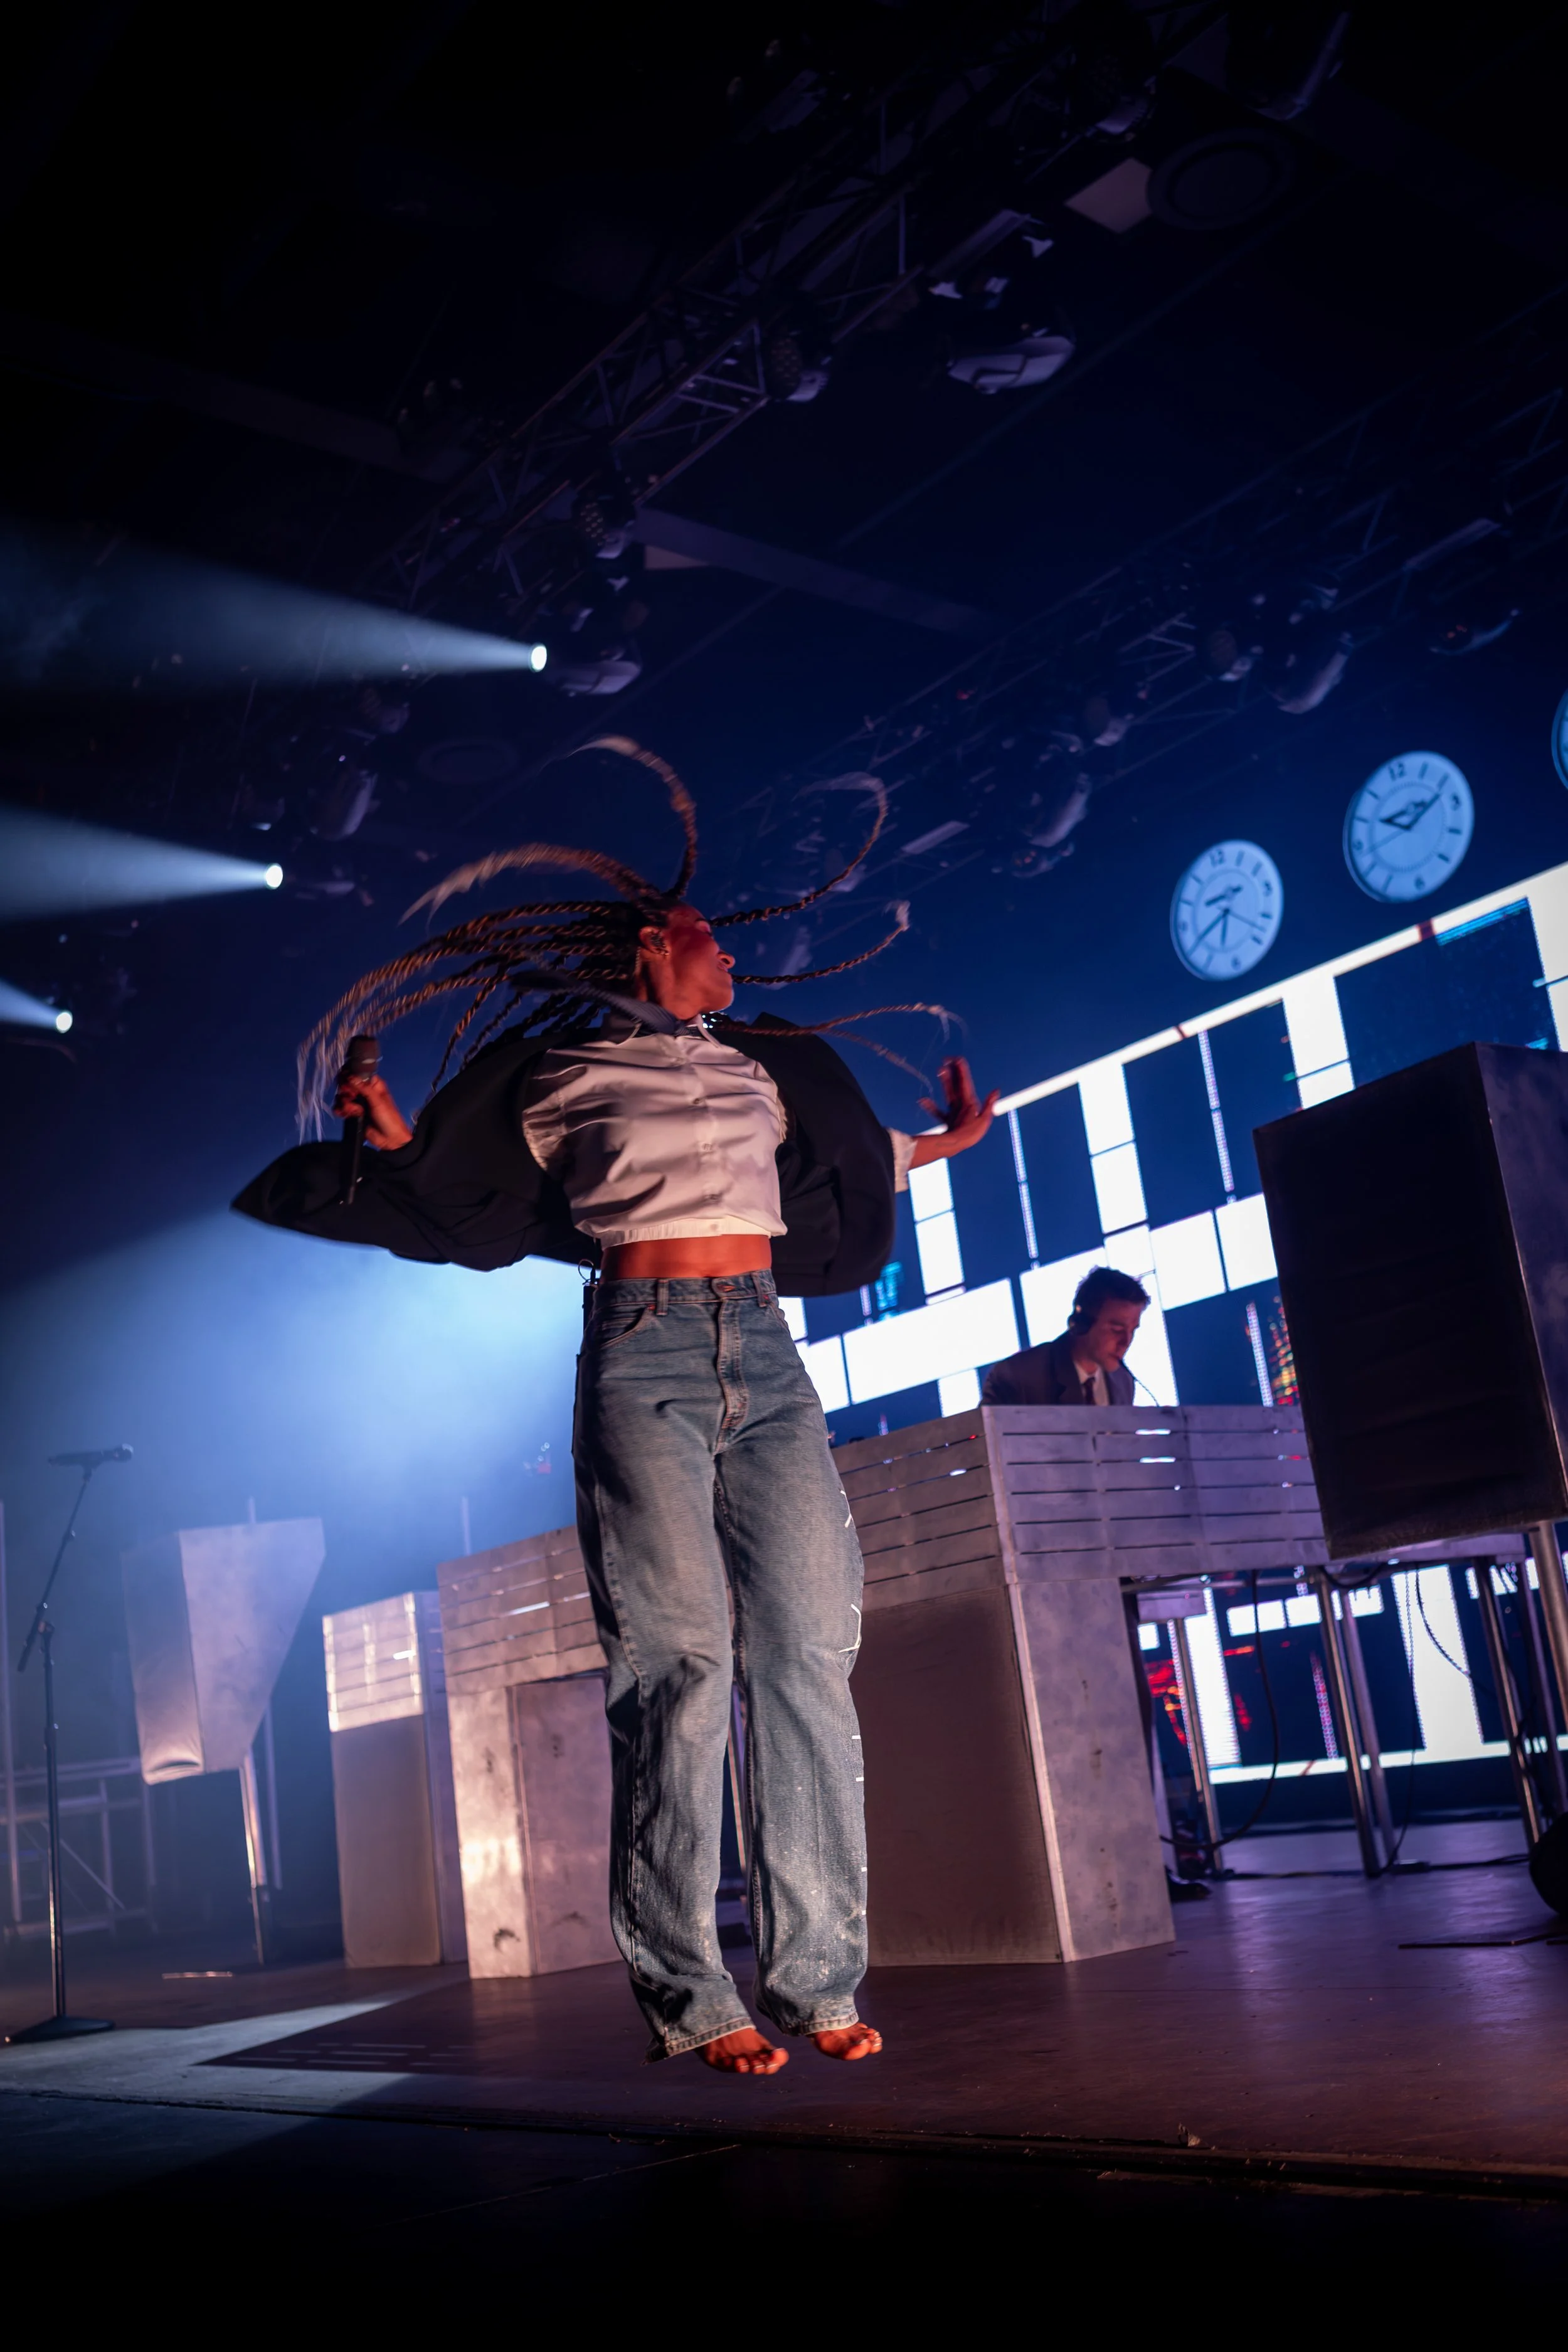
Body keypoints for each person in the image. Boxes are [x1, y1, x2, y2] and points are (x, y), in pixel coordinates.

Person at [235, 742, 999, 2074]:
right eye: (710, 940)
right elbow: (457, 1195)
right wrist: (390, 1132)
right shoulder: (563, 1073)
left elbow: (845, 1158)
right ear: (658, 945)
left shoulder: (759, 1064)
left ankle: (817, 1978)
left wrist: (944, 1143)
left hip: (764, 1355)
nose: (730, 961)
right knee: (678, 1665)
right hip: (640, 1354)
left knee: (808, 1653)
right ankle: (691, 1992)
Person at [980, 1264, 1148, 1406]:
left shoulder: (1123, 1382)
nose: (1126, 1342)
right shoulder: (1018, 1377)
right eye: (1117, 1330)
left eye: (1133, 1330)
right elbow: (977, 1443)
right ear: (1083, 1322)